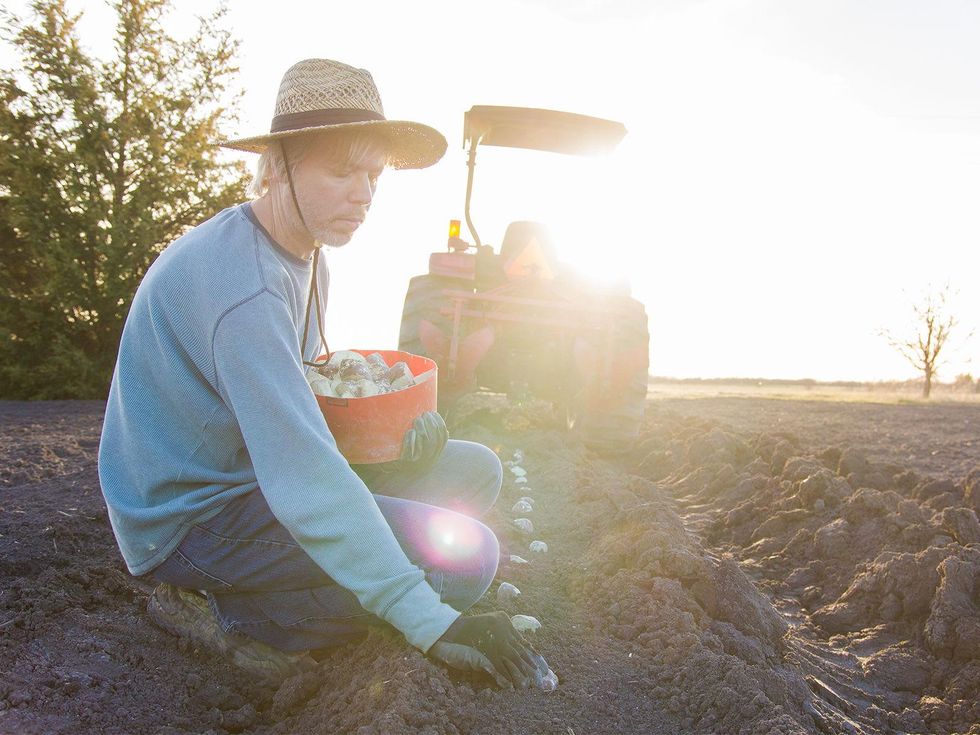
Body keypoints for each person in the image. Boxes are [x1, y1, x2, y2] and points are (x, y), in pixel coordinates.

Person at [97, 58, 538, 688]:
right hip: (192, 522)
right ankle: (231, 616)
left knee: (474, 470)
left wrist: (398, 449)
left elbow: (303, 414)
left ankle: (313, 589)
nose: (362, 194)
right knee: (468, 563)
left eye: (373, 176)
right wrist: (431, 623)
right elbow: (302, 473)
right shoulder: (244, 292)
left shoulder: (307, 256)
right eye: (340, 172)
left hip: (254, 474)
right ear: (276, 167)